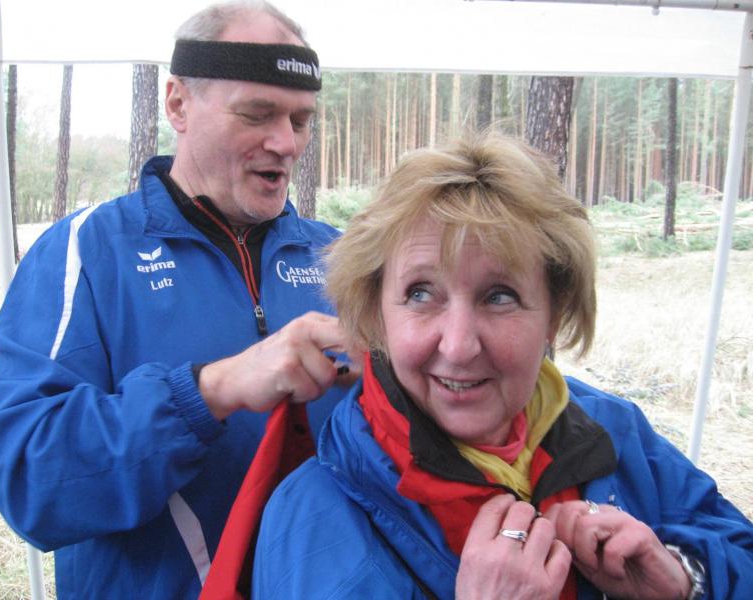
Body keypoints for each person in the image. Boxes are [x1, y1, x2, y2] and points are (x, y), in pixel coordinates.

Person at [252, 132, 753, 599]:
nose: (459, 346)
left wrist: (685, 577)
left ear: (554, 314)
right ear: (376, 313)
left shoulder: (616, 433)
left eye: (500, 296)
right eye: (421, 293)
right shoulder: (312, 519)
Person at [0, 2, 354, 598]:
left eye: (301, 120)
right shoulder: (88, 251)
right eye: (257, 113)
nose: (286, 143)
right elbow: (28, 482)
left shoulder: (342, 259)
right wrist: (208, 393)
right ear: (178, 104)